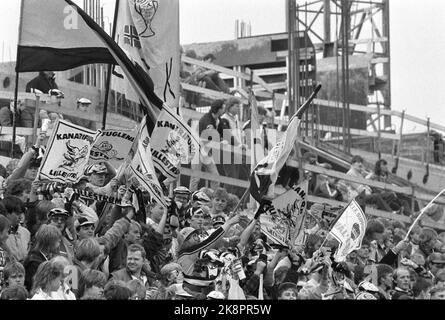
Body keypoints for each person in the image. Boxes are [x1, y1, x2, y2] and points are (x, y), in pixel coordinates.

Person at [189, 100, 225, 192]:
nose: (224, 109)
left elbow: (221, 133)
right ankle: (191, 199)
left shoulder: (218, 120)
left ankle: (213, 199)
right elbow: (211, 134)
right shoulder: (207, 119)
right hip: (197, 150)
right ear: (218, 109)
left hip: (206, 152)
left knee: (215, 177)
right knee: (195, 178)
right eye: (222, 108)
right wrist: (220, 141)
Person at [24, 224, 62, 291]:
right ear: (49, 241)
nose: (59, 242)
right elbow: (35, 287)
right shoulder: (33, 262)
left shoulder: (47, 258)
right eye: (57, 240)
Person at [1, 196, 30, 263]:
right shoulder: (1, 233)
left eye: (21, 213)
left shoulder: (26, 232)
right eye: (17, 213)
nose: (20, 217)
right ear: (7, 213)